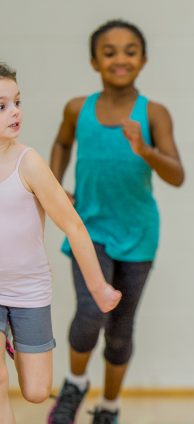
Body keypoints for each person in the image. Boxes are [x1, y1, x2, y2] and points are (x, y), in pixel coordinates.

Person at [47, 19, 185, 424]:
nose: (120, 59)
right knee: (91, 314)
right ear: (94, 61)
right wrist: (56, 187)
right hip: (88, 230)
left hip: (139, 235)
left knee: (121, 329)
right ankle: (74, 385)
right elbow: (60, 143)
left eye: (130, 51)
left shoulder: (155, 113)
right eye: (109, 52)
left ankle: (108, 407)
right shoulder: (77, 108)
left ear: (143, 59)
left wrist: (144, 148)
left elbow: (177, 174)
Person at [0, 63, 121, 424]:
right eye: (1, 106)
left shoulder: (30, 163)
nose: (15, 111)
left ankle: (15, 342)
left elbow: (74, 226)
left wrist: (98, 287)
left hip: (28, 291)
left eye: (17, 102)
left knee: (36, 391)